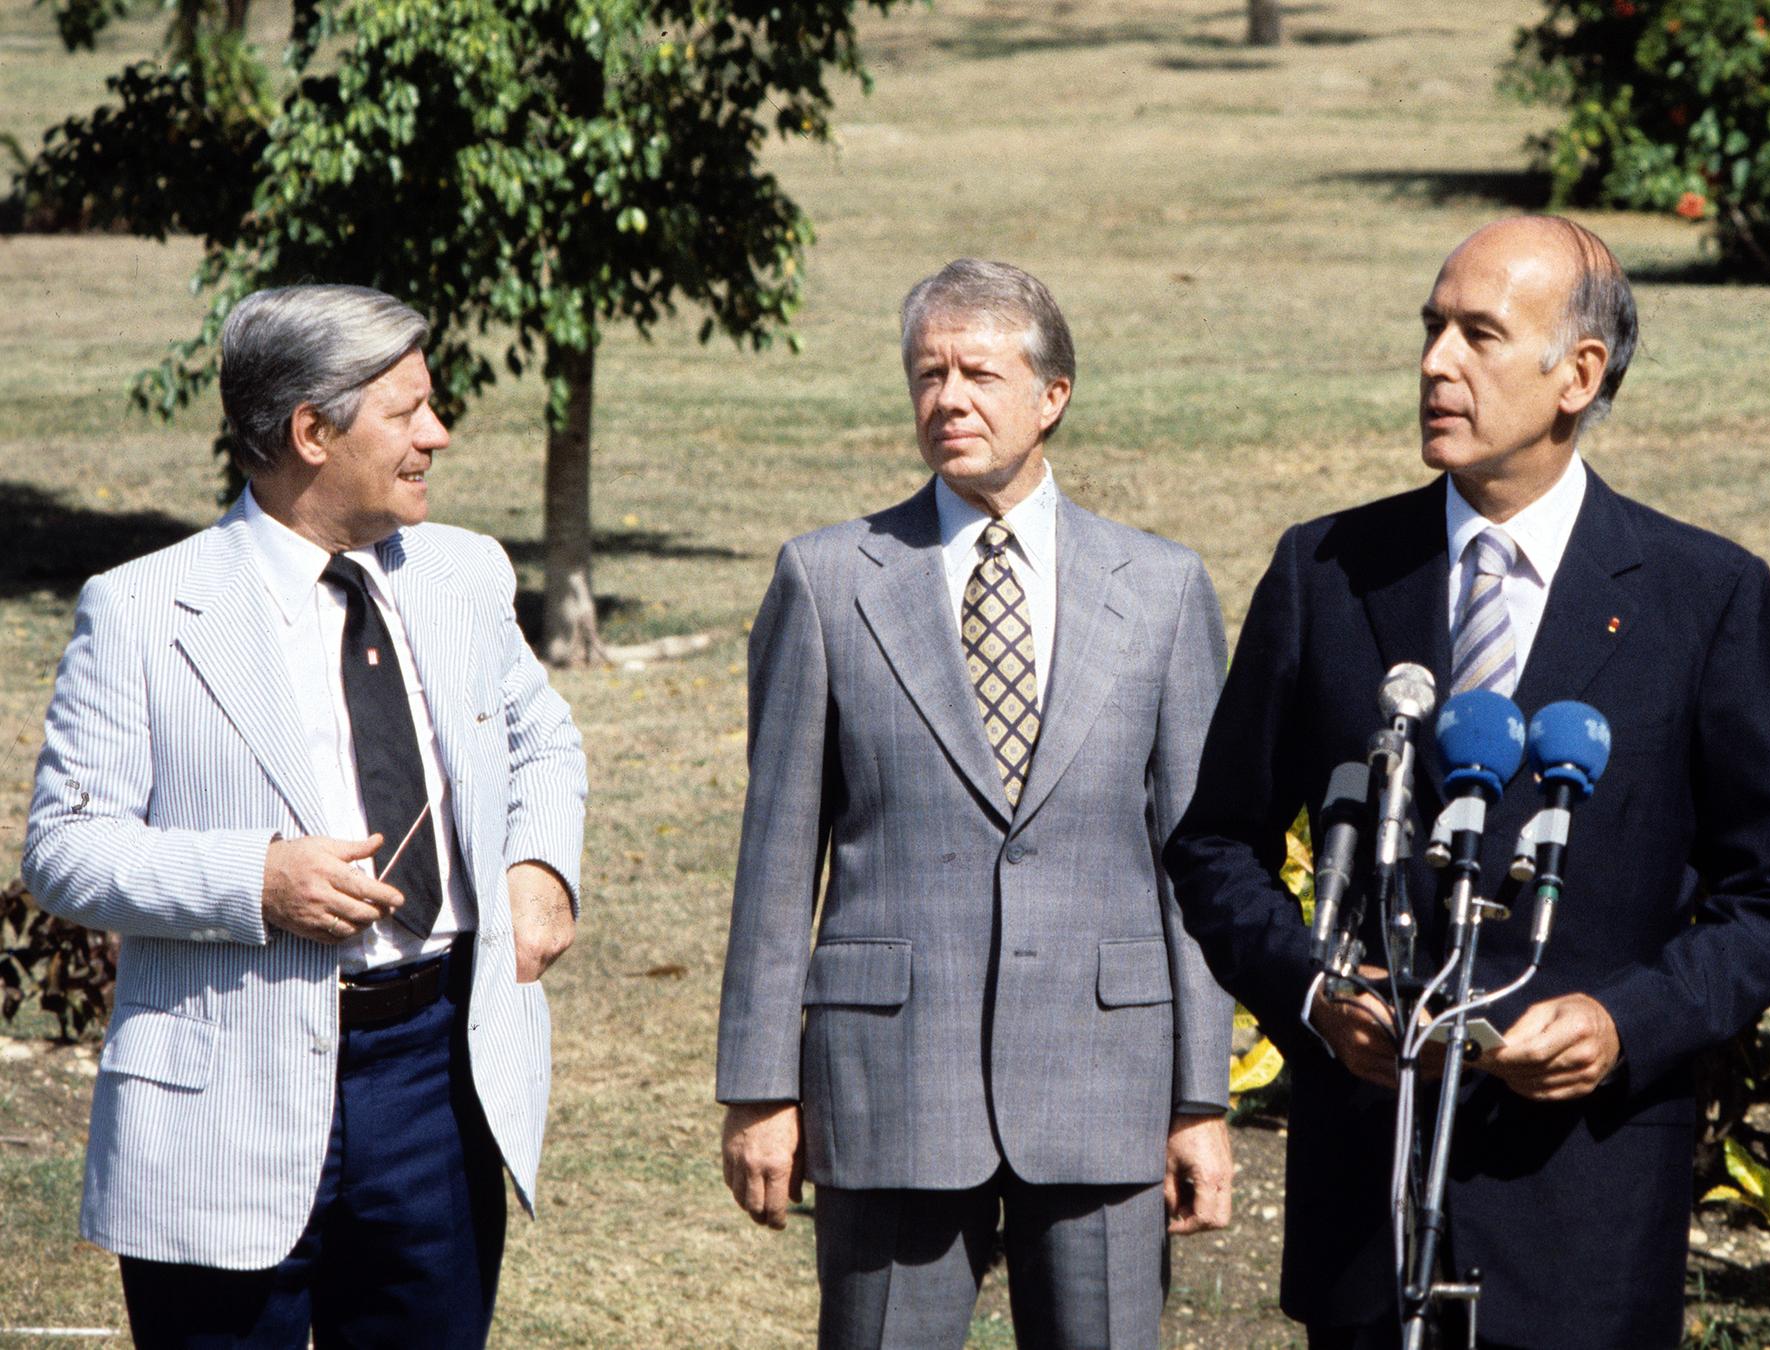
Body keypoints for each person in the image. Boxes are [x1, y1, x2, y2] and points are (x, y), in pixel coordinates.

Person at [1164, 216, 1770, 1347]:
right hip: (1366, 1222)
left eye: (1479, 334)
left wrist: (1626, 1023)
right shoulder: (1325, 572)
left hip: (1586, 1211)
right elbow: (1216, 845)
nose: (1436, 363)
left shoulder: (1703, 597)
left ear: (1578, 374)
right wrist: (1317, 998)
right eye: (1432, 330)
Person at [21, 283, 588, 1347]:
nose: (439, 433)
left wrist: (542, 869)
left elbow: (541, 741)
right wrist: (258, 880)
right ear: (312, 432)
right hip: (220, 1096)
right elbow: (63, 849)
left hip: (436, 1077)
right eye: (408, 411)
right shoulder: (142, 610)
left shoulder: (464, 572)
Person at [715, 258, 1236, 1349]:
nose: (948, 398)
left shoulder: (1161, 587)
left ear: (1052, 396)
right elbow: (775, 861)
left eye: (979, 374)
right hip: (892, 1083)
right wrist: (760, 1088)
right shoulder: (827, 581)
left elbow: (1198, 866)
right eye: (927, 374)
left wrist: (1201, 1099)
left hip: (1105, 1080)